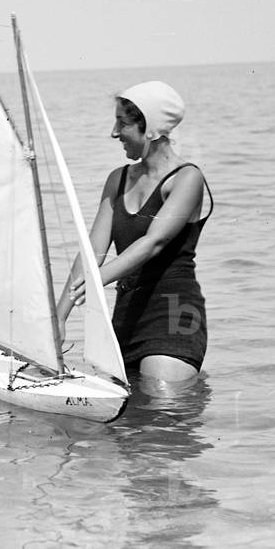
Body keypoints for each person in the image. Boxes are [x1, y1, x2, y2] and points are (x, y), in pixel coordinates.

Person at [57, 81, 213, 384]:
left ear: (150, 130)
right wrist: (59, 317)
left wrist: (95, 282)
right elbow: (92, 253)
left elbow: (153, 243)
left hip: (175, 312)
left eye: (122, 123)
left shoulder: (187, 178)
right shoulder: (117, 179)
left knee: (163, 404)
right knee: (130, 409)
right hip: (126, 316)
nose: (114, 132)